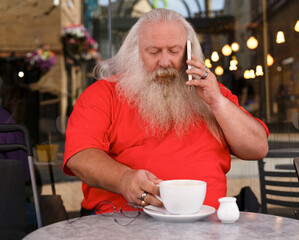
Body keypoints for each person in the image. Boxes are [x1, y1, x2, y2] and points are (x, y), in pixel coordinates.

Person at [63, 9, 269, 214]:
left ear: (189, 52)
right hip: (124, 225)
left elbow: (257, 147)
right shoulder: (103, 94)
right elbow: (80, 156)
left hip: (207, 226)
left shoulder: (213, 93)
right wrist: (123, 179)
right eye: (153, 52)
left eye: (174, 51)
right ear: (135, 52)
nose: (164, 62)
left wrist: (217, 102)